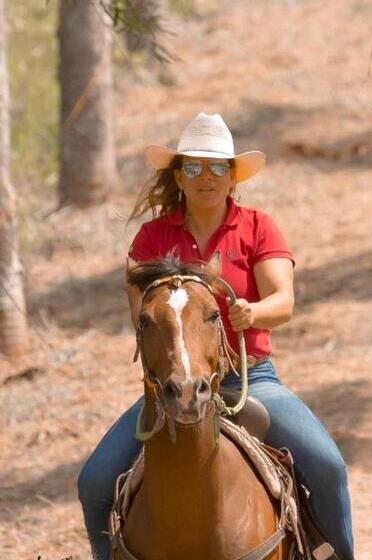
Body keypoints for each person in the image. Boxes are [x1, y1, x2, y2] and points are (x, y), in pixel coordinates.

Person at [77, 113, 355, 560]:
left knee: (328, 467)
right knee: (93, 481)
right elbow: (142, 319)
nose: (206, 177)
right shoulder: (151, 239)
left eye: (217, 167)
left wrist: (252, 312)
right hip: (170, 384)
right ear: (178, 176)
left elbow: (282, 302)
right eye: (193, 167)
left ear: (232, 176)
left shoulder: (258, 227)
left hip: (250, 378)